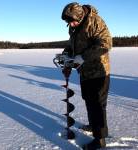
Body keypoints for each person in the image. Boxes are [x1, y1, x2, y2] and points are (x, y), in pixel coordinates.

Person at [61, 2, 112, 150]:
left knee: (98, 104)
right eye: (68, 22)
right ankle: (93, 125)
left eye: (73, 20)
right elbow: (72, 46)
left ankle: (100, 139)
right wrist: (66, 57)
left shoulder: (95, 21)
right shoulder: (74, 27)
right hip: (84, 72)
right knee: (89, 100)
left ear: (80, 15)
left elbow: (106, 43)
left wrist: (83, 57)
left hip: (99, 72)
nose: (71, 24)